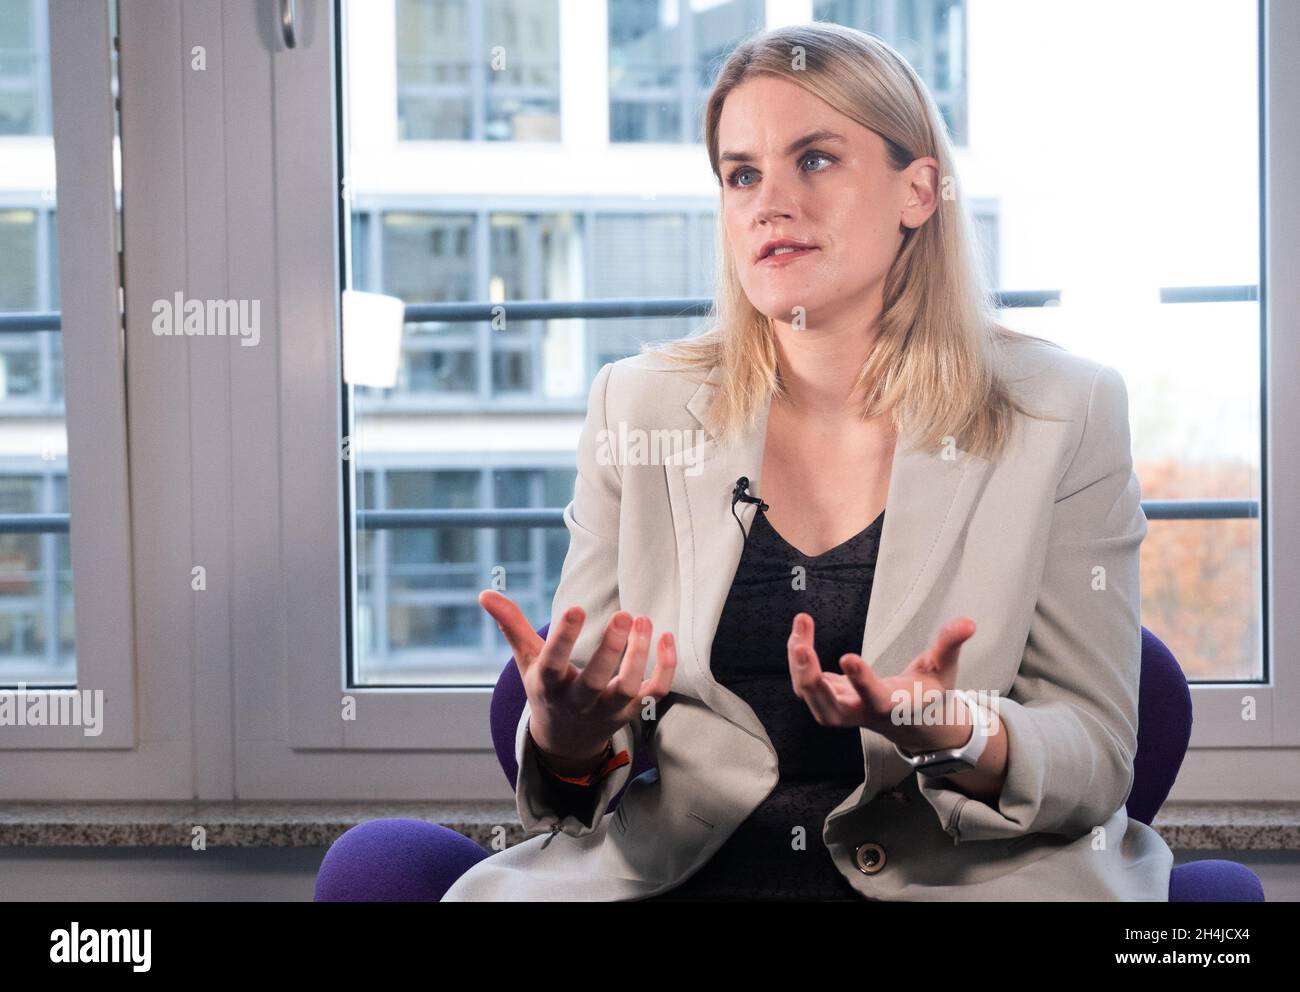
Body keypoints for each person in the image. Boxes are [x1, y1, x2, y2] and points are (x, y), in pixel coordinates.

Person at [441, 21, 1173, 902]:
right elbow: (578, 779)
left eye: (815, 160)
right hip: (684, 875)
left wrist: (957, 730)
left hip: (957, 877)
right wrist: (566, 737)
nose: (768, 202)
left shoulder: (1065, 409)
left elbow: (1096, 757)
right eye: (741, 173)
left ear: (918, 190)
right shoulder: (636, 406)